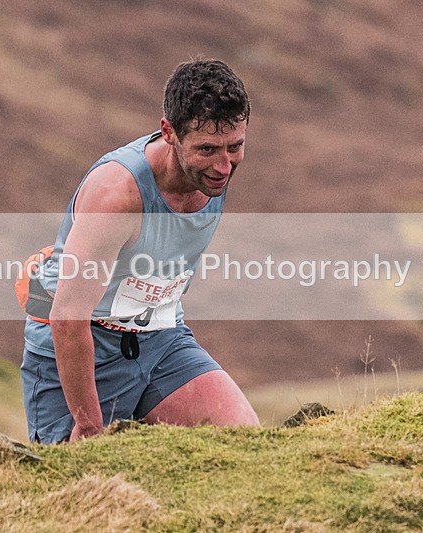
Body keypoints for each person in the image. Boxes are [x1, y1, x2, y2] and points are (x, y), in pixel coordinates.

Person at [20, 59, 260, 444]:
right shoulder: (118, 196)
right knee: (81, 486)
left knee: (242, 440)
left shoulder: (215, 170)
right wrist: (88, 420)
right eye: (208, 149)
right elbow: (67, 316)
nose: (223, 165)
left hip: (161, 337)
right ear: (169, 132)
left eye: (236, 147)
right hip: (84, 349)